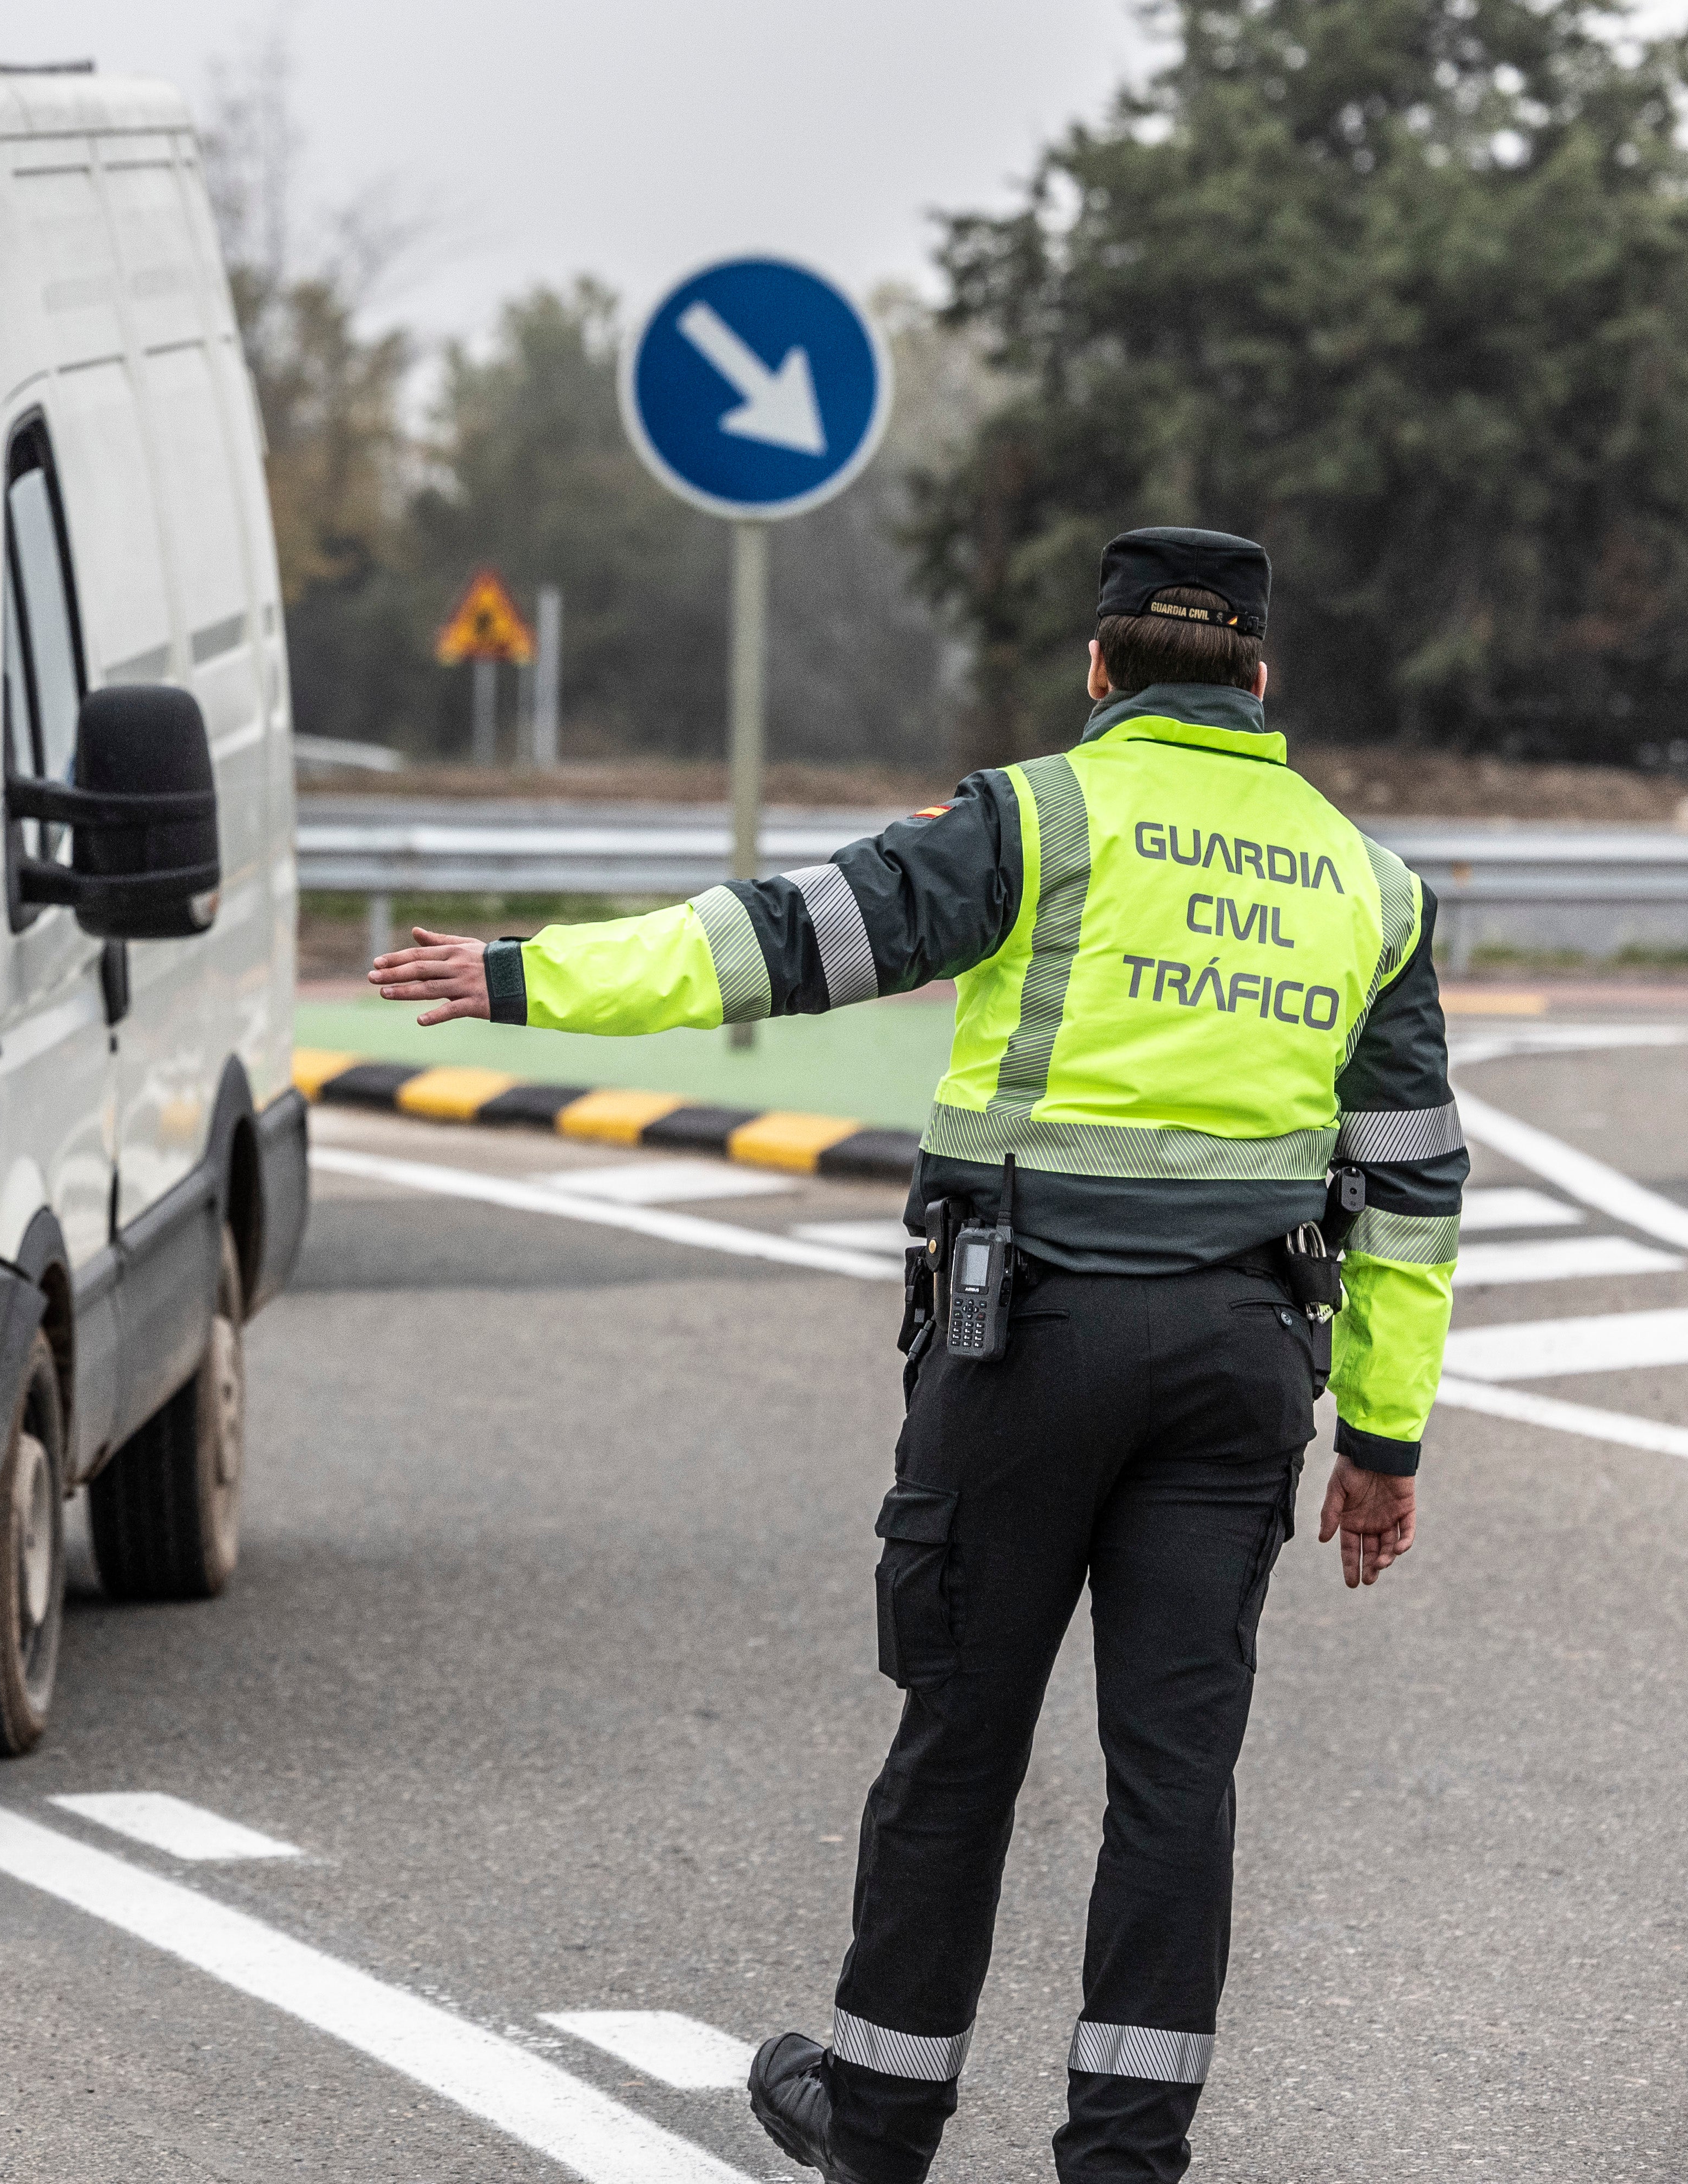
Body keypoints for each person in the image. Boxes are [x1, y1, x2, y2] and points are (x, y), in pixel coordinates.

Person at [367, 529, 1458, 2183]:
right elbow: (1412, 1184)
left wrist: (524, 975)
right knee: (1177, 1777)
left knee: (962, 1736)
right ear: (1261, 679)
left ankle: (877, 2123)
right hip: (1246, 1363)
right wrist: (1383, 1443)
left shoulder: (1036, 818)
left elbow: (779, 944)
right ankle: (1124, 2154)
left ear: (1099, 671)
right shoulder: (1368, 882)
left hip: (1030, 1345)